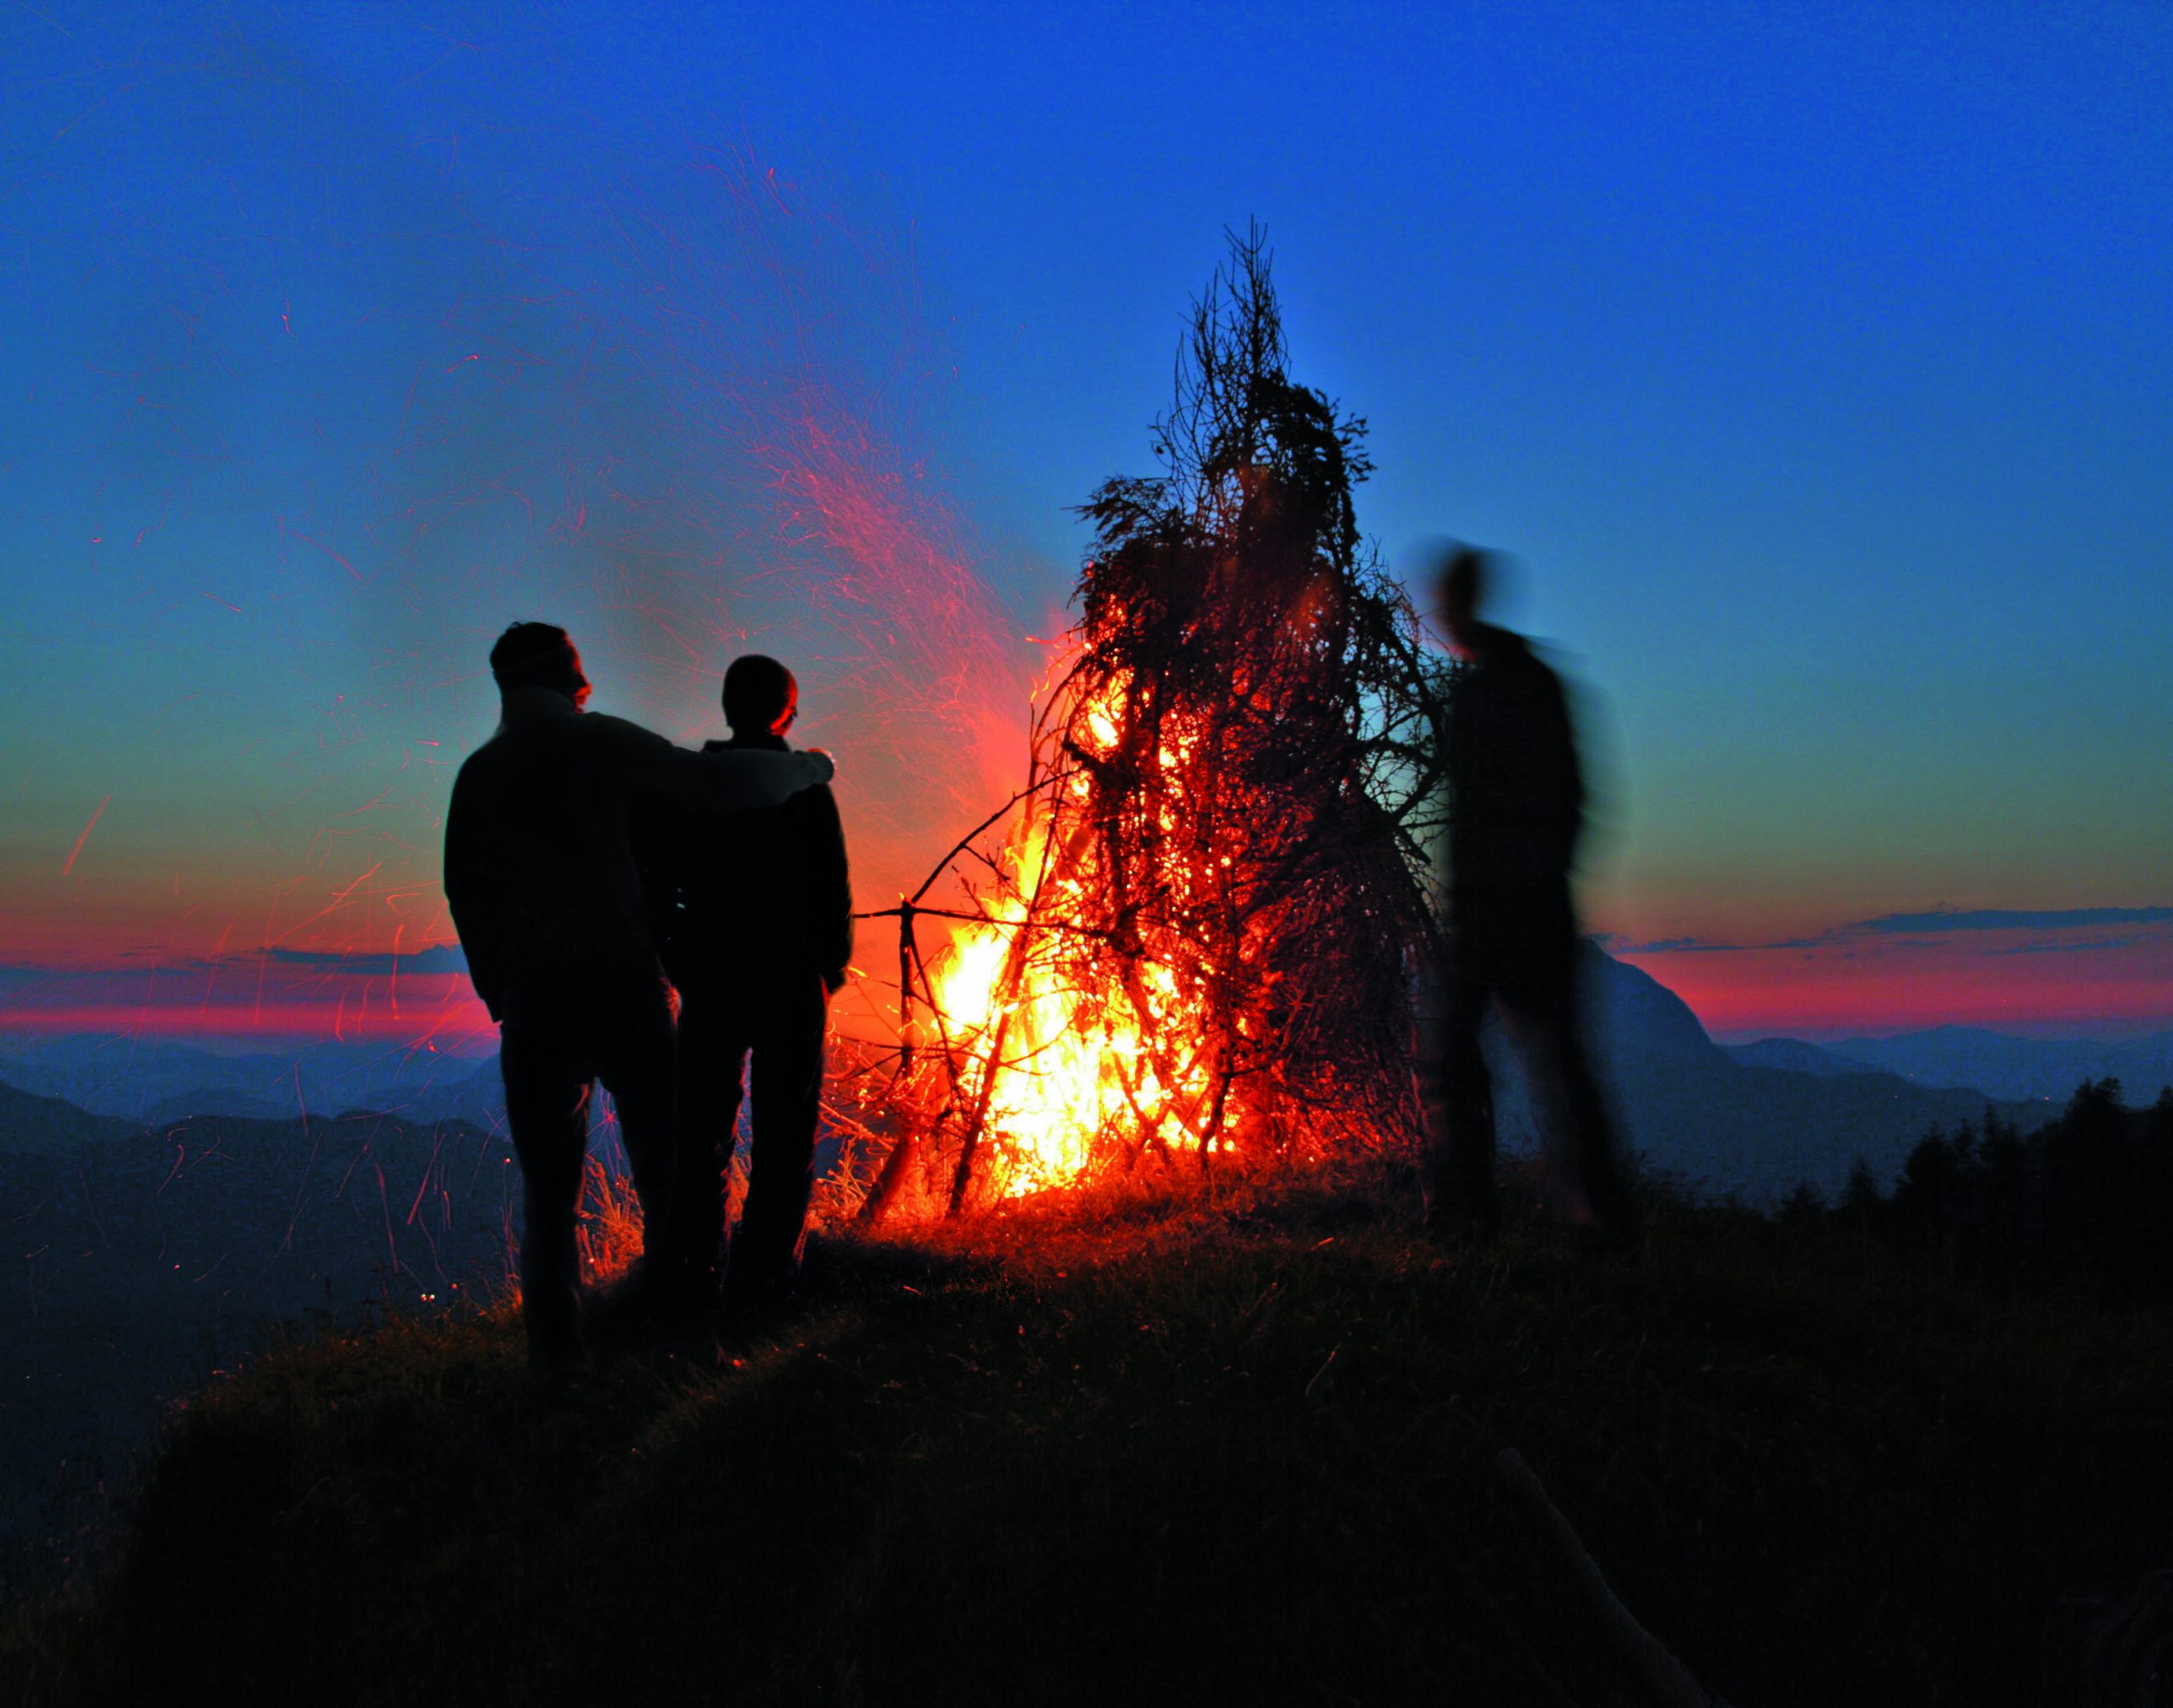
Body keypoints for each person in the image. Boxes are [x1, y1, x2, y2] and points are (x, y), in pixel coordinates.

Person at [442, 622, 834, 1380]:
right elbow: (718, 787)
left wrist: (501, 993)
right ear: (571, 678)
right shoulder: (598, 742)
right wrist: (810, 769)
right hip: (623, 989)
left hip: (532, 1009)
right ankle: (687, 1344)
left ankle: (557, 1367)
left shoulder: (478, 774)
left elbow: (465, 892)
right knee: (672, 1171)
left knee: (551, 1197)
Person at [1429, 547, 1637, 1245]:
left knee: (1480, 1058)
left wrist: (1511, 883)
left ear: (1460, 604)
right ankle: (1591, 1217)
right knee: (1547, 1063)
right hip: (1524, 903)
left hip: (1510, 907)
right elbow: (1575, 798)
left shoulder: (1500, 688)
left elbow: (1546, 802)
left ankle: (1480, 1217)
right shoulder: (1524, 681)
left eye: (1444, 599)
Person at [639, 655, 851, 1332]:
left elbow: (658, 885)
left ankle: (690, 1280)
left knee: (700, 1132)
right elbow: (831, 887)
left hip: (713, 980)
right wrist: (829, 968)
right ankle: (764, 1288)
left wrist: (681, 963)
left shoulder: (688, 787)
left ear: (728, 708)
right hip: (790, 980)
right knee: (786, 1134)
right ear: (786, 712)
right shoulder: (804, 788)